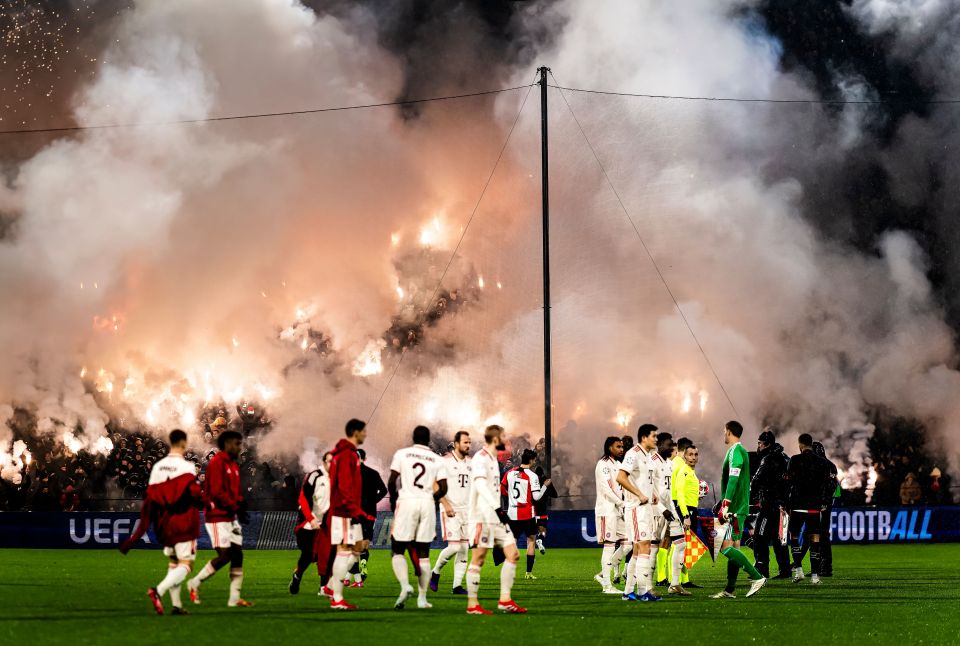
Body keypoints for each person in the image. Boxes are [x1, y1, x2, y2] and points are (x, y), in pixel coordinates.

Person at [119, 429, 202, 615]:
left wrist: (135, 536)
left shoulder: (158, 467)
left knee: (174, 563)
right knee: (186, 565)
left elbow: (150, 499)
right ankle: (158, 591)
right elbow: (195, 495)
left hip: (164, 523)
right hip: (183, 521)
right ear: (183, 443)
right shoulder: (187, 466)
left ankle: (176, 605)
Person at [465, 424, 526, 615]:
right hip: (482, 516)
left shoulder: (493, 459)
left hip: (496, 516)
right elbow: (481, 486)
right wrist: (498, 508)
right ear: (495, 439)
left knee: (513, 554)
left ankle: (505, 600)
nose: (506, 441)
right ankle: (472, 604)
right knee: (479, 558)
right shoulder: (480, 459)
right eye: (503, 437)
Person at [187, 430, 251, 608]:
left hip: (230, 515)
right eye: (237, 444)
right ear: (228, 444)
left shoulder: (233, 465)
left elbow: (234, 493)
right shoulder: (217, 463)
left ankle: (234, 598)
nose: (239, 447)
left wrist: (240, 504)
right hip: (217, 516)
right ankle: (194, 583)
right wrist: (234, 504)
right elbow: (216, 492)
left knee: (238, 554)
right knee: (225, 555)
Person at [387, 425, 448, 610]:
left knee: (397, 549)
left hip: (407, 502)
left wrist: (394, 500)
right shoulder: (437, 459)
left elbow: (391, 481)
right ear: (429, 440)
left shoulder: (402, 454)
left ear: (412, 437)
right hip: (427, 504)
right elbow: (444, 488)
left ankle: (405, 585)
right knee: (424, 554)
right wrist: (431, 498)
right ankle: (422, 599)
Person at [710, 421, 766, 599]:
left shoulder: (736, 451)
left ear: (728, 432)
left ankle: (757, 577)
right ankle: (730, 589)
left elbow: (734, 477)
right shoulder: (738, 451)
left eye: (724, 431)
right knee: (734, 547)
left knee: (725, 548)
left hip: (734, 509)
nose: (723, 434)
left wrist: (725, 504)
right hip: (737, 508)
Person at [616, 423, 672, 602]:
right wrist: (639, 494)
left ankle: (628, 592)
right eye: (654, 436)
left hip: (647, 508)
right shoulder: (633, 454)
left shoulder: (648, 456)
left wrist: (652, 494)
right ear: (644, 437)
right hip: (636, 508)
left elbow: (645, 480)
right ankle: (642, 592)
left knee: (639, 549)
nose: (656, 439)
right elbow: (621, 477)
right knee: (645, 546)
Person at [326, 418, 375, 610]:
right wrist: (354, 511)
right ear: (356, 432)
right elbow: (345, 486)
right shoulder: (346, 455)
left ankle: (331, 587)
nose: (366, 434)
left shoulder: (346, 454)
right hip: (345, 511)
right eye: (364, 431)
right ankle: (337, 598)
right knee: (344, 551)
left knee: (359, 549)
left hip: (349, 510)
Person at [785, 433, 834, 585]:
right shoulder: (822, 462)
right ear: (811, 444)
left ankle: (798, 570)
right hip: (814, 507)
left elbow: (788, 483)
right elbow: (828, 485)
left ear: (800, 445)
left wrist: (787, 504)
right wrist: (824, 503)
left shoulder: (794, 460)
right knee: (815, 539)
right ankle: (814, 576)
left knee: (794, 537)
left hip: (798, 505)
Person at [430, 430, 472, 595]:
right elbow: (434, 483)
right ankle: (436, 572)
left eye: (469, 442)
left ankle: (457, 586)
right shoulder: (444, 462)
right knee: (454, 547)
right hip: (450, 509)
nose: (468, 445)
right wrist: (445, 503)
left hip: (467, 510)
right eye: (464, 443)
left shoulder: (471, 463)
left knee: (464, 549)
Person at [501, 449, 551, 580]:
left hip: (512, 513)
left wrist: (511, 498)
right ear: (531, 460)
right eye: (534, 460)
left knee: (513, 542)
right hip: (527, 514)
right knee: (531, 542)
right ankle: (528, 573)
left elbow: (502, 489)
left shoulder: (509, 473)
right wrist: (544, 486)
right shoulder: (532, 476)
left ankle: (508, 573)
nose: (535, 462)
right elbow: (536, 496)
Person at [289, 451, 332, 595]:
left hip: (327, 524)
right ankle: (297, 575)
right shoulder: (315, 476)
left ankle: (323, 588)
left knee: (326, 556)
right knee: (308, 555)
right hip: (308, 524)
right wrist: (311, 519)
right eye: (330, 462)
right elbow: (303, 499)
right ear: (324, 462)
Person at [750, 428, 791, 579]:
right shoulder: (785, 458)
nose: (758, 446)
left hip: (769, 506)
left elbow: (756, 480)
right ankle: (785, 570)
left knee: (759, 537)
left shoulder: (767, 459)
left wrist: (752, 494)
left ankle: (761, 569)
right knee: (779, 539)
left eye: (760, 443)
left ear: (766, 444)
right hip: (783, 506)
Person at [650, 433, 687, 596]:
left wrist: (672, 510)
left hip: (669, 510)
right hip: (655, 512)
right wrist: (661, 509)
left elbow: (669, 493)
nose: (671, 446)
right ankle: (647, 586)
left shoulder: (669, 464)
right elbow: (648, 490)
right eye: (668, 443)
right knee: (653, 549)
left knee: (681, 544)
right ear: (659, 445)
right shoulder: (651, 463)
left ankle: (675, 584)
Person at [351, 448, 388, 586]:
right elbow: (384, 490)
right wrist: (374, 501)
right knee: (365, 544)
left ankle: (355, 576)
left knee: (354, 544)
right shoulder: (373, 473)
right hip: (370, 513)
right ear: (365, 459)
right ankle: (363, 568)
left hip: (355, 513)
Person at [671, 443, 702, 590]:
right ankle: (675, 581)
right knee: (681, 546)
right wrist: (685, 515)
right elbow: (680, 494)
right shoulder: (684, 471)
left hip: (691, 509)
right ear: (684, 455)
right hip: (686, 511)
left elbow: (687, 493)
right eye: (690, 454)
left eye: (696, 455)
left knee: (686, 547)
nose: (693, 457)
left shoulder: (690, 471)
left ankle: (683, 580)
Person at [812, 441, 839, 577]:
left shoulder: (820, 465)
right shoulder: (830, 465)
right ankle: (821, 566)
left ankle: (824, 567)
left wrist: (822, 502)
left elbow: (829, 486)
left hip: (820, 505)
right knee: (819, 535)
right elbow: (833, 486)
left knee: (820, 535)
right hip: (824, 504)